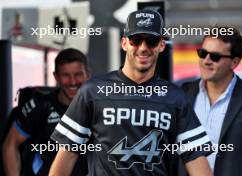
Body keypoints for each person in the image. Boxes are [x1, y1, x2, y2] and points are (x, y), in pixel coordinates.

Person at [49, 9, 213, 176]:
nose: (143, 48)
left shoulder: (175, 98)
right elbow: (67, 154)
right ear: (124, 43)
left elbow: (196, 160)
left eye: (151, 41)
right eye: (136, 40)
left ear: (161, 45)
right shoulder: (92, 92)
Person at [181, 27, 242, 176]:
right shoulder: (182, 95)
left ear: (234, 62)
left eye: (215, 57)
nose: (206, 61)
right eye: (202, 53)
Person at [3, 48, 90, 176]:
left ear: (87, 74)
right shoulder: (39, 106)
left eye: (78, 74)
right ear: (56, 77)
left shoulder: (101, 108)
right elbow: (10, 144)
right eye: (66, 75)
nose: (72, 81)